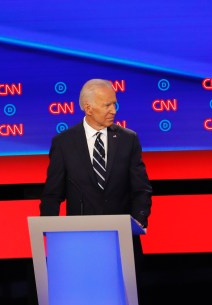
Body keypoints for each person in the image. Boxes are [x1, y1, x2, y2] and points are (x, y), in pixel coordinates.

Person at [39, 78, 152, 229]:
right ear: (89, 108)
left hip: (122, 235)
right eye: (107, 105)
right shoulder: (63, 143)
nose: (114, 110)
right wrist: (49, 230)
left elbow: (141, 189)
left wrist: (139, 219)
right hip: (80, 236)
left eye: (114, 104)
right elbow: (52, 194)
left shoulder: (128, 139)